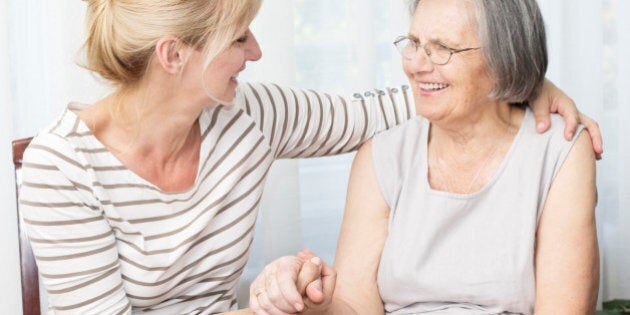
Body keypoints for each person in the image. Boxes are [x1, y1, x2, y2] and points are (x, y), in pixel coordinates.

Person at [19, 0, 599, 314]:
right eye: (239, 36)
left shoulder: (252, 116)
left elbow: (389, 107)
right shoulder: (60, 167)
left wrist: (521, 81)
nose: (257, 51)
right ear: (173, 55)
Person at [250, 0, 600, 314]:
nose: (415, 64)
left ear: (504, 59)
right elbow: (356, 305)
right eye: (414, 43)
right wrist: (315, 303)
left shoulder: (560, 150)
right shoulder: (382, 155)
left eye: (441, 48)